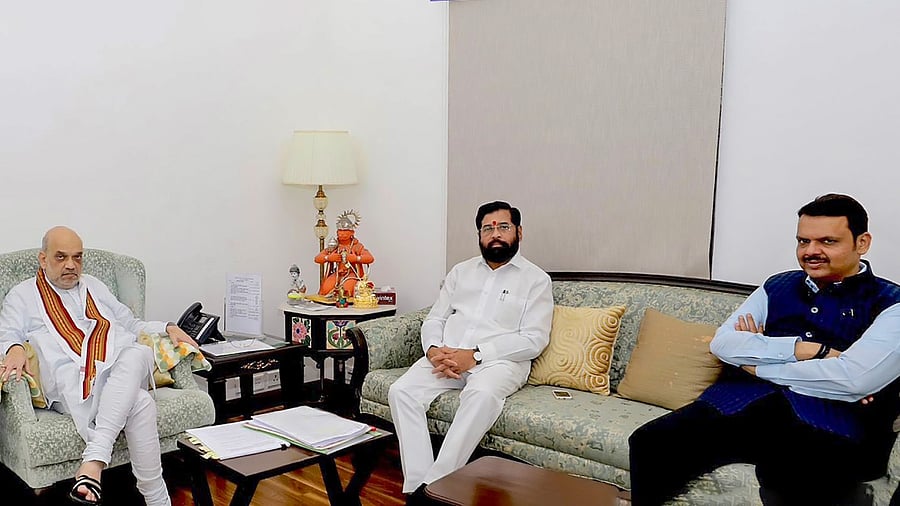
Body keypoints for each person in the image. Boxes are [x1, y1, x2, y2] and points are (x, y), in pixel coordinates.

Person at [628, 194, 900, 505]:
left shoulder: (891, 302)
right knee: (650, 442)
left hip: (831, 422)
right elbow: (724, 343)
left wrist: (756, 365)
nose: (811, 252)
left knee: (789, 476)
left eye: (827, 241)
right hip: (740, 405)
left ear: (861, 243)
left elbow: (853, 380)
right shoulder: (778, 285)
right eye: (803, 241)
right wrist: (809, 351)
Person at [0, 226, 198, 506]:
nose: (71, 265)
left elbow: (131, 324)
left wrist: (167, 327)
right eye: (61, 257)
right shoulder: (22, 295)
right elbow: (6, 334)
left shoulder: (94, 285)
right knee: (140, 402)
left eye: (77, 257)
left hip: (119, 367)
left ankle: (94, 461)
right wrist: (15, 347)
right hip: (73, 383)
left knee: (137, 353)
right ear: (42, 259)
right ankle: (157, 499)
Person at [388, 200, 554, 501]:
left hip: (499, 362)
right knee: (401, 391)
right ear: (479, 235)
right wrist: (433, 351)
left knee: (481, 396)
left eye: (503, 227)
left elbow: (534, 339)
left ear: (519, 231)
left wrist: (476, 355)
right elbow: (435, 318)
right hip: (447, 357)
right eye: (487, 228)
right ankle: (417, 485)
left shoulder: (536, 280)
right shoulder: (461, 272)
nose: (496, 234)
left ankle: (437, 486)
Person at [314, 210, 374, 297]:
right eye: (340, 231)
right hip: (337, 273)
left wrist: (356, 258)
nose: (342, 234)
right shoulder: (334, 245)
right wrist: (328, 258)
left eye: (345, 231)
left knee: (347, 292)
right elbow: (317, 258)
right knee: (326, 289)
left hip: (351, 274)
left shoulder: (356, 246)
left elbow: (370, 258)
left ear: (352, 233)